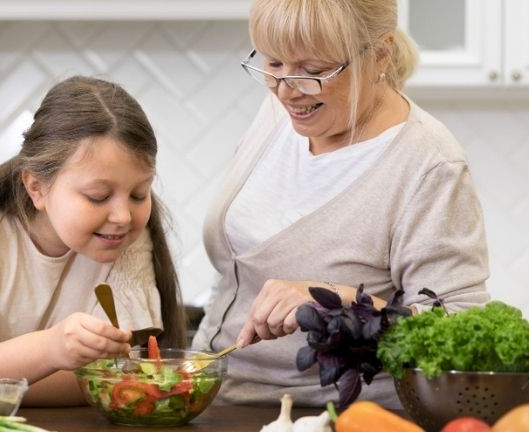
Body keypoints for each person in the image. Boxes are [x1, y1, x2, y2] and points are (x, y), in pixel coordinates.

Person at [192, 0, 490, 408]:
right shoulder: (281, 112)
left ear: (381, 53)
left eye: (313, 72)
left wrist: (340, 298)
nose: (286, 90)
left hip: (337, 416)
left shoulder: (429, 165)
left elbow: (461, 329)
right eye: (273, 63)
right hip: (217, 398)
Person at [0, 75, 186, 407]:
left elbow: (119, 377)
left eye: (139, 194)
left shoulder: (127, 243)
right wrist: (50, 350)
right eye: (98, 197)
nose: (123, 216)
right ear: (37, 188)